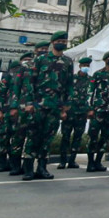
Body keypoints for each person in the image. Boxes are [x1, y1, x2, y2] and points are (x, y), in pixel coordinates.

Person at [19, 30, 73, 181]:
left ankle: (42, 168)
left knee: (48, 138)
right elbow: (30, 83)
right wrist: (29, 103)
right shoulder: (40, 60)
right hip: (38, 105)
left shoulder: (68, 62)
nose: (62, 42)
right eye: (59, 40)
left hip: (55, 106)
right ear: (53, 42)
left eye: (64, 40)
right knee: (33, 136)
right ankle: (28, 169)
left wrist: (66, 106)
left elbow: (69, 85)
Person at [58, 56, 92, 170]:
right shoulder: (71, 79)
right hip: (70, 112)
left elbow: (91, 96)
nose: (86, 67)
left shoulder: (90, 80)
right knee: (65, 137)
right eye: (84, 66)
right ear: (80, 66)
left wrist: (89, 110)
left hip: (82, 113)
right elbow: (63, 93)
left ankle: (72, 160)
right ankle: (63, 161)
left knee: (78, 137)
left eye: (87, 66)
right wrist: (62, 109)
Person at [85, 49, 109, 172]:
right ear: (105, 60)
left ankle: (98, 162)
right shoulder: (98, 74)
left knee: (105, 137)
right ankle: (90, 163)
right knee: (93, 137)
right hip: (98, 110)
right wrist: (90, 108)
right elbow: (90, 92)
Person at [7, 51, 36, 175]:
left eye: (30, 59)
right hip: (21, 108)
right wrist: (13, 107)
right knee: (18, 137)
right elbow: (15, 91)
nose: (28, 61)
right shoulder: (17, 74)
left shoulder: (37, 71)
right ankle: (15, 165)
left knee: (32, 138)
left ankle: (27, 166)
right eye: (26, 59)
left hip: (34, 109)